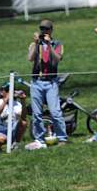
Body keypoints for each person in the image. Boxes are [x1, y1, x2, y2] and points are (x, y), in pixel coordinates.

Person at [25, 19, 68, 150]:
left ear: (51, 30)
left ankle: (62, 138)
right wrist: (36, 43)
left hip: (51, 82)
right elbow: (30, 58)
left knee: (55, 112)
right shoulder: (35, 44)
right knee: (37, 113)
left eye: (46, 29)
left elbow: (57, 59)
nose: (43, 31)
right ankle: (39, 139)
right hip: (37, 81)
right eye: (42, 29)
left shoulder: (57, 44)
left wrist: (49, 45)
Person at [0, 84, 26, 149]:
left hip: (10, 130)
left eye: (12, 91)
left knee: (23, 123)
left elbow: (23, 117)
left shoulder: (16, 104)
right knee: (2, 139)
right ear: (2, 93)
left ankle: (15, 145)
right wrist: (6, 100)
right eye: (8, 91)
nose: (11, 93)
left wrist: (23, 100)